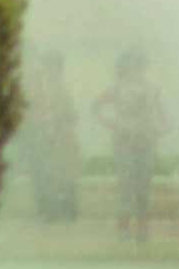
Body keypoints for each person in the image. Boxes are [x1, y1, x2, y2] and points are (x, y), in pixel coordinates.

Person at [95, 49, 168, 250]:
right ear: (125, 68)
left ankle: (143, 230)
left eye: (140, 65)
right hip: (124, 143)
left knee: (143, 187)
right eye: (133, 65)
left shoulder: (153, 88)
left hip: (146, 143)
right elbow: (97, 107)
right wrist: (113, 124)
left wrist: (161, 128)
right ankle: (124, 230)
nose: (137, 70)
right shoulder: (117, 88)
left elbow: (161, 114)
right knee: (125, 186)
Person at [29, 52, 84, 225]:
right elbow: (33, 112)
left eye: (52, 67)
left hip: (62, 138)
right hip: (46, 137)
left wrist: (60, 118)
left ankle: (67, 210)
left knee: (64, 174)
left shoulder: (63, 89)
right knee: (50, 174)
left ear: (58, 69)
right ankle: (51, 210)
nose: (48, 71)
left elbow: (74, 115)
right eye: (47, 67)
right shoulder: (41, 90)